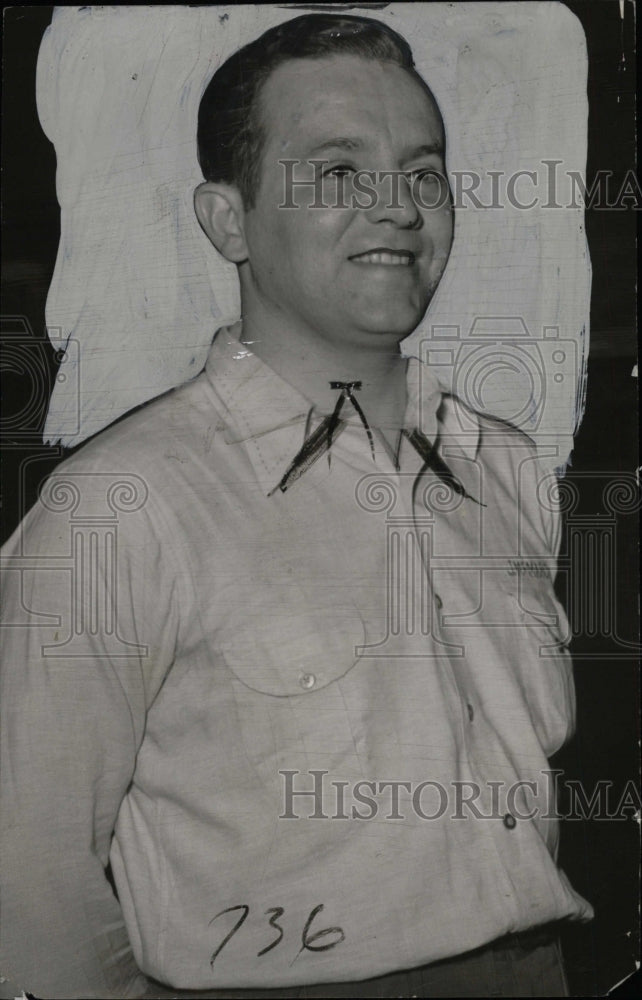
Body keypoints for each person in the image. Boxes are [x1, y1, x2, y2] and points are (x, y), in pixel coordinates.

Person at [0, 13, 592, 999]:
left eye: (423, 172)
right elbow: (26, 881)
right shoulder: (120, 508)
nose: (398, 209)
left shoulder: (504, 469)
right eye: (337, 174)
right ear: (226, 220)